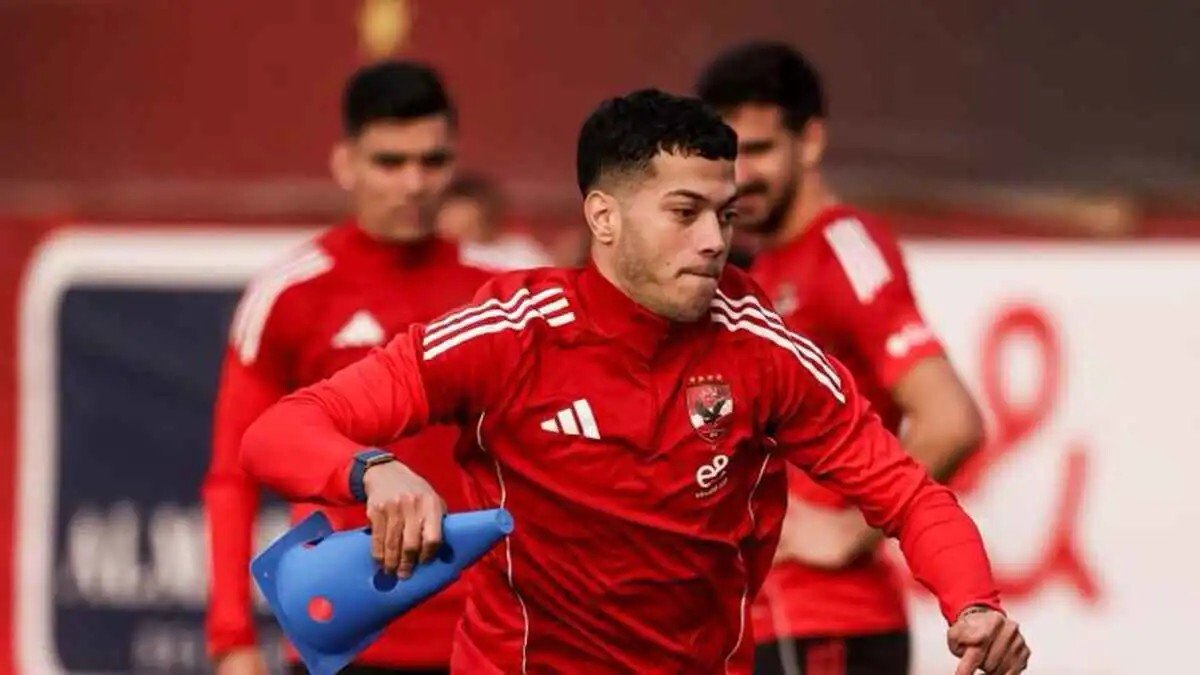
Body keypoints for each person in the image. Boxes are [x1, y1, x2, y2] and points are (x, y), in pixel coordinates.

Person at [239, 89, 1029, 675]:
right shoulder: (509, 333)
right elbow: (277, 432)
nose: (714, 239)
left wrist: (974, 602)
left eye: (725, 214)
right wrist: (373, 469)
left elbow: (910, 494)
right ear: (604, 217)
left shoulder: (761, 346)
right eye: (685, 212)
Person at [697, 42, 985, 675]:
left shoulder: (843, 249)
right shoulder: (763, 267)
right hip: (769, 624)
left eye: (760, 149)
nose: (741, 174)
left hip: (826, 623)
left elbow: (952, 418)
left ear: (811, 141)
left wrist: (851, 531)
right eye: (727, 153)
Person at [202, 61, 490, 675]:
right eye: (390, 162)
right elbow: (234, 475)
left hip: (484, 637)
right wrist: (231, 638)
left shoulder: (502, 290)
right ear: (344, 163)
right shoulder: (288, 294)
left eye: (432, 161)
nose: (413, 183)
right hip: (342, 634)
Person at [435, 172, 553, 271]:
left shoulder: (523, 253)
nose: (444, 219)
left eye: (455, 211)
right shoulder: (436, 257)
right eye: (444, 211)